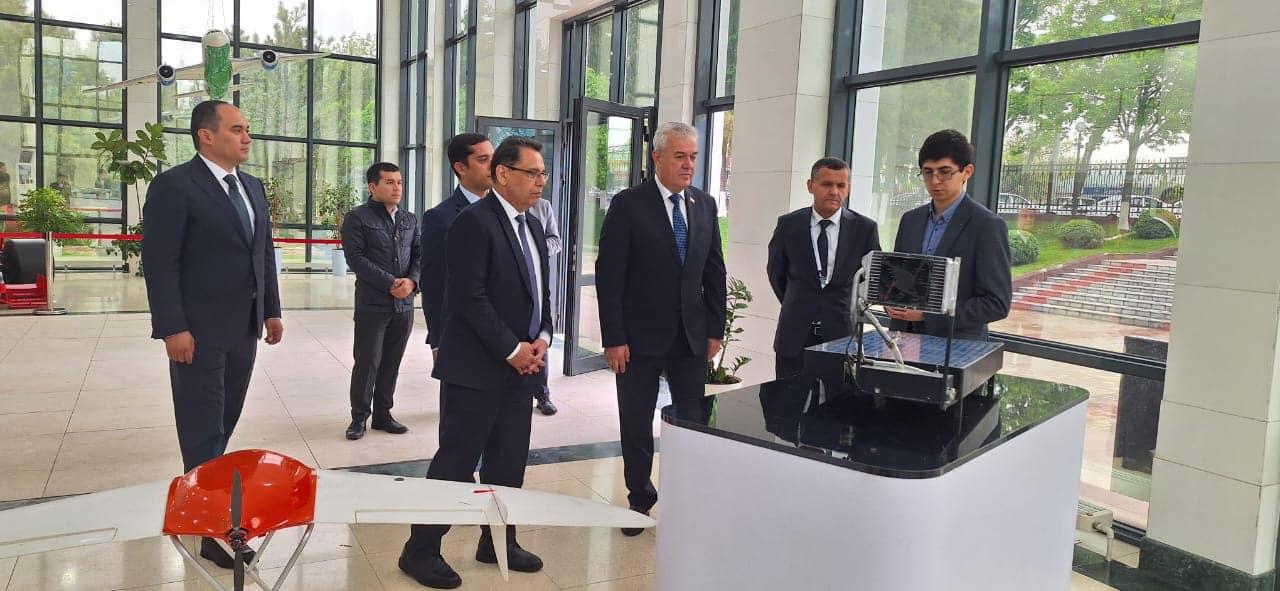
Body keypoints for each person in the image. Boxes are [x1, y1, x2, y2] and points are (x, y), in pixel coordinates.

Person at [399, 137, 553, 589]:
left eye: (543, 174)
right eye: (532, 173)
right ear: (503, 174)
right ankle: (419, 550)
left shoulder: (532, 223)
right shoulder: (473, 222)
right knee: (456, 462)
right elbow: (469, 297)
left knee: (508, 461)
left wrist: (542, 337)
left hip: (521, 368)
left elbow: (540, 290)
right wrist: (512, 349)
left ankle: (497, 540)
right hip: (477, 369)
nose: (541, 182)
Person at [142, 99, 283, 569]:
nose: (247, 138)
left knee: (224, 421)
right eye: (237, 129)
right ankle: (212, 529)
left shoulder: (252, 186)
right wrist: (172, 327)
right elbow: (160, 263)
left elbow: (263, 254)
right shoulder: (175, 186)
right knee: (202, 427)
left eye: (247, 129)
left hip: (244, 329)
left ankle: (209, 501)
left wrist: (271, 311)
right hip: (197, 333)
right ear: (206, 135)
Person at [595, 121, 727, 535]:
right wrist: (614, 338)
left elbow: (714, 272)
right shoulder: (629, 205)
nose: (689, 165)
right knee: (636, 423)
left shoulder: (704, 204)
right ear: (657, 157)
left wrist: (715, 330)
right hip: (637, 340)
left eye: (693, 157)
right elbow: (609, 276)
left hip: (690, 337)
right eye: (680, 156)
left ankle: (686, 498)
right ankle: (639, 499)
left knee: (691, 422)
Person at [887, 129, 1012, 339]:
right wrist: (889, 300)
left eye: (945, 172)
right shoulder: (910, 220)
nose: (935, 181)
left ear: (967, 172)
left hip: (956, 346)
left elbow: (996, 303)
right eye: (928, 172)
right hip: (903, 341)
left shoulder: (987, 226)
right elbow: (898, 280)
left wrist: (927, 316)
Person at [766, 157, 880, 378]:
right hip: (794, 335)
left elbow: (871, 278)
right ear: (811, 186)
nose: (834, 191)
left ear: (848, 188)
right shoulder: (788, 225)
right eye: (827, 184)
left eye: (841, 185)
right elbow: (776, 272)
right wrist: (800, 302)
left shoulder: (864, 229)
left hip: (841, 337)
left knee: (837, 398)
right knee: (787, 396)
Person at [342, 162, 421, 440]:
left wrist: (412, 282)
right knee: (368, 362)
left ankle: (383, 414)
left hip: (404, 305)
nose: (396, 187)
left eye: (399, 182)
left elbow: (419, 255)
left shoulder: (409, 219)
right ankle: (359, 418)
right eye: (389, 182)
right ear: (372, 187)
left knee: (392, 362)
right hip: (372, 305)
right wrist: (391, 283)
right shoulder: (357, 218)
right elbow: (356, 259)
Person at [420, 133, 494, 361]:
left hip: (506, 336)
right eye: (483, 160)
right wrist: (437, 342)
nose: (493, 166)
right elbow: (433, 285)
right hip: (462, 335)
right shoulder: (440, 218)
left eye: (494, 158)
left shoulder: (507, 211)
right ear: (461, 168)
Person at [528, 195, 559, 416]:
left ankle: (542, 394)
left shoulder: (543, 206)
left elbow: (556, 241)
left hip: (536, 279)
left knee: (539, 335)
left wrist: (533, 246)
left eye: (542, 177)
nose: (539, 182)